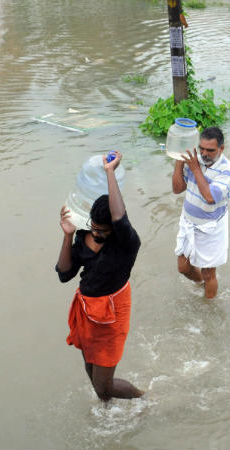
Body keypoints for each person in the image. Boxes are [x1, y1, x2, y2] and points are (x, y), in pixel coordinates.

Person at [56, 151, 144, 402]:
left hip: (111, 313)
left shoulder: (126, 244)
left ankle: (143, 399)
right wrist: (67, 236)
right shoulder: (85, 235)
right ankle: (107, 410)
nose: (96, 234)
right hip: (86, 310)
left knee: (104, 386)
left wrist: (109, 172)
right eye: (93, 227)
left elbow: (118, 216)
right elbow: (64, 274)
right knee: (90, 369)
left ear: (115, 230)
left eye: (102, 231)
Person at [172, 127, 230, 300]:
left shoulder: (228, 170)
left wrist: (195, 169)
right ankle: (201, 285)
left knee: (209, 273)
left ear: (221, 149)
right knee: (183, 268)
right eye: (201, 148)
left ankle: (208, 310)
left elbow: (209, 197)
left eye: (210, 150)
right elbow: (177, 189)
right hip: (188, 222)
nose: (204, 153)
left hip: (211, 227)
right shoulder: (196, 160)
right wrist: (179, 161)